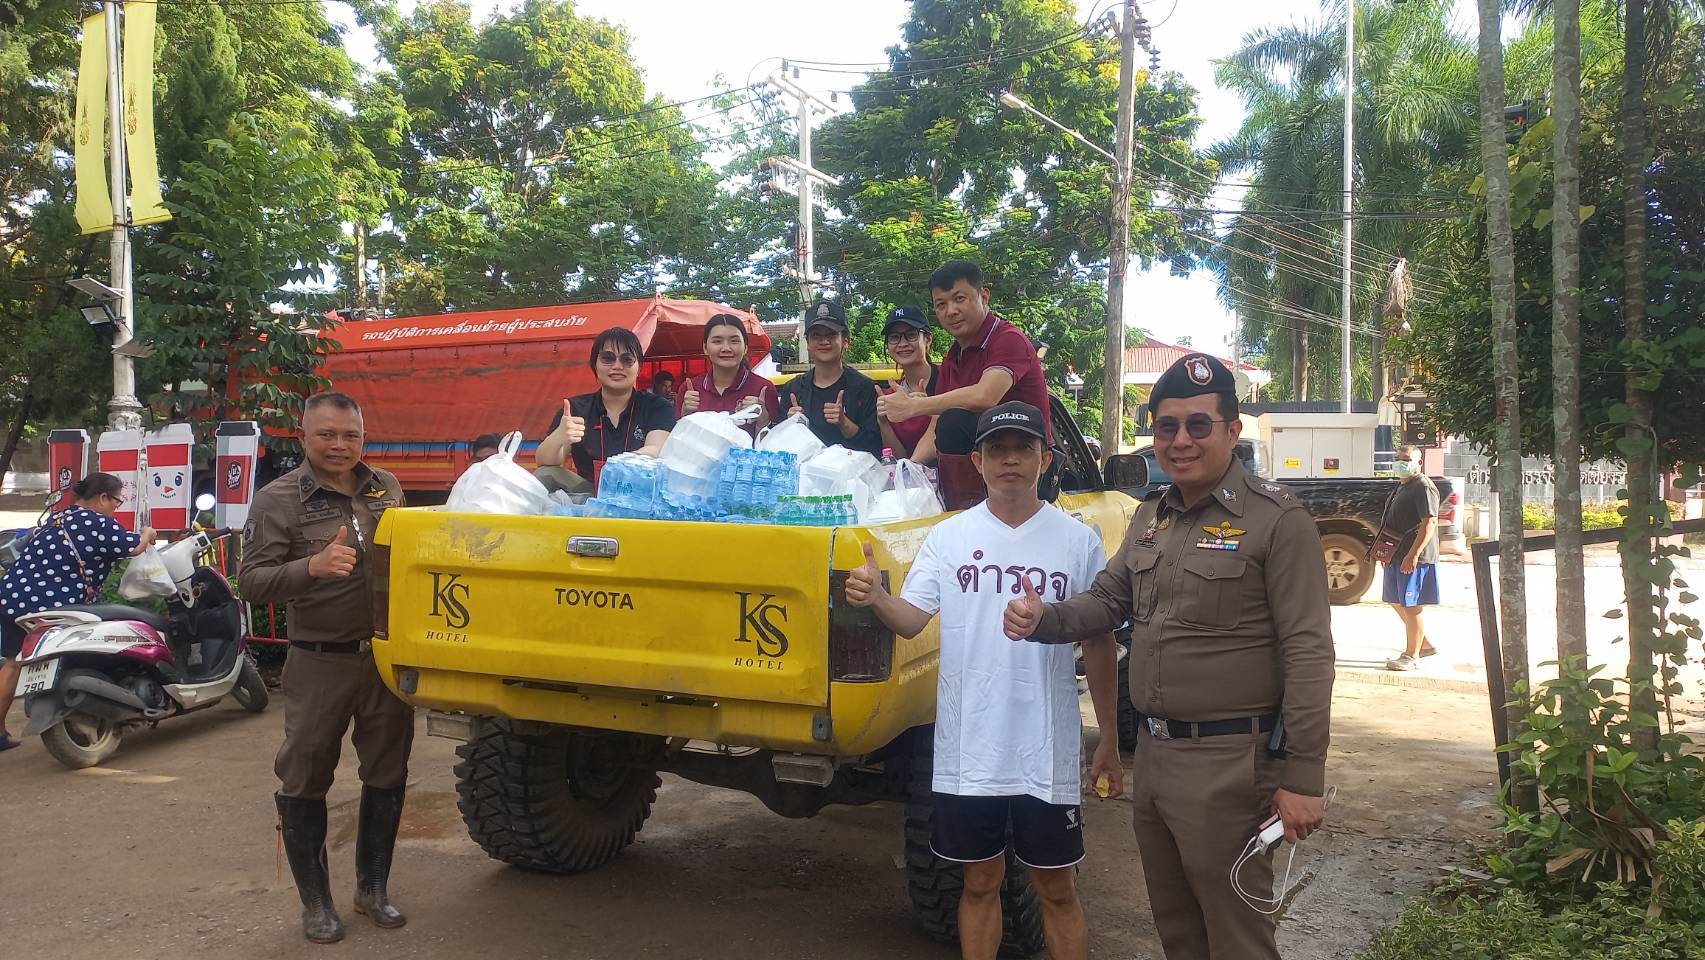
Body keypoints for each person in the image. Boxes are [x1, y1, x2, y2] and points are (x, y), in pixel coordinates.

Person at [1003, 354, 1335, 960]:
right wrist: (1043, 619)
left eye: (1198, 425)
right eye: (1166, 427)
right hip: (1156, 757)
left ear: (1232, 430)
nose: (1180, 440)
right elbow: (1108, 600)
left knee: (1237, 937)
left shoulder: (1276, 522)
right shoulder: (1151, 516)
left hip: (1231, 763)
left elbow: (1308, 650)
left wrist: (1303, 776)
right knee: (1177, 929)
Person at [845, 401, 1122, 960]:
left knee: (1056, 889)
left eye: (1024, 448)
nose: (1010, 460)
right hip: (968, 749)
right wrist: (876, 598)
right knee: (979, 883)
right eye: (997, 449)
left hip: (1046, 748)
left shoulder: (1078, 541)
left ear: (1046, 459)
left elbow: (1098, 643)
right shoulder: (949, 537)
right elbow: (912, 620)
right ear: (977, 460)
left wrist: (1110, 739)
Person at [239, 392, 411, 945]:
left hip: (383, 659)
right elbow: (250, 582)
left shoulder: (386, 487)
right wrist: (311, 567)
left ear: (364, 436)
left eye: (351, 435)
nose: (340, 445)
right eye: (327, 435)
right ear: (303, 437)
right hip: (319, 663)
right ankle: (316, 904)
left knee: (387, 772)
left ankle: (373, 889)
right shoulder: (277, 499)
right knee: (305, 777)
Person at [0, 473, 155, 753]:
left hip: (11, 596)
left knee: (13, 663)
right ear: (103, 497)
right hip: (51, 605)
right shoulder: (97, 521)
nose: (116, 507)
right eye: (117, 501)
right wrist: (147, 533)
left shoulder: (58, 517)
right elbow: (133, 547)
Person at [876, 261, 1050, 509]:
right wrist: (909, 472)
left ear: (984, 296)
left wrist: (916, 406)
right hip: (979, 483)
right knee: (949, 423)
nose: (951, 311)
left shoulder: (1008, 340)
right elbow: (936, 429)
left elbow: (985, 396)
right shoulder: (953, 357)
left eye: (959, 299)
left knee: (955, 421)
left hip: (1026, 475)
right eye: (941, 304)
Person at [537, 328, 676, 491]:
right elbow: (545, 461)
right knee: (545, 474)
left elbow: (656, 449)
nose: (617, 366)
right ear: (594, 365)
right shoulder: (575, 409)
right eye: (607, 358)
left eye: (627, 360)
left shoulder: (657, 406)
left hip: (638, 491)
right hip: (590, 494)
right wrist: (559, 437)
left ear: (639, 367)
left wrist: (617, 467)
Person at [776, 300, 882, 456]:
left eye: (831, 334)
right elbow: (778, 447)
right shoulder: (793, 389)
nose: (824, 341)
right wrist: (789, 426)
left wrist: (844, 423)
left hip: (852, 470)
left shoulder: (864, 388)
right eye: (816, 335)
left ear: (845, 341)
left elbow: (877, 447)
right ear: (807, 343)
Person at [1382, 445, 1441, 671]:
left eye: (1406, 459)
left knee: (1411, 605)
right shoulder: (1403, 486)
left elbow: (1429, 523)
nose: (1400, 462)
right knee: (1395, 599)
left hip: (1414, 556)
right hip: (1396, 555)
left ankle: (1411, 655)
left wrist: (1413, 554)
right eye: (1397, 458)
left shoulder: (1423, 487)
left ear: (1419, 463)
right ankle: (1424, 644)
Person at [677, 312, 781, 437]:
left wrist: (763, 420)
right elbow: (678, 440)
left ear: (745, 347)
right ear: (705, 348)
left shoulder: (763, 389)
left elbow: (774, 444)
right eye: (717, 341)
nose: (726, 348)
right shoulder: (689, 390)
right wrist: (685, 416)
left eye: (734, 341)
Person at [876, 305, 938, 462]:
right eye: (894, 337)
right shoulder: (891, 395)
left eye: (911, 335)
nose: (902, 343)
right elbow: (899, 460)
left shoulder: (949, 378)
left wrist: (929, 407)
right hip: (910, 474)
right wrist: (883, 422)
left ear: (928, 339)